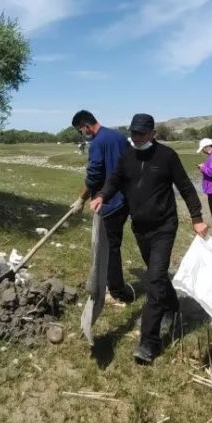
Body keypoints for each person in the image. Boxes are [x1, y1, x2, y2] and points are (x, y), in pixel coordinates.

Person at [90, 113, 208, 364]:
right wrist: (102, 195)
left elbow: (186, 187)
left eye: (141, 133)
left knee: (154, 278)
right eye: (133, 132)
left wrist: (197, 218)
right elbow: (115, 181)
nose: (136, 137)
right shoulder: (127, 156)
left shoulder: (167, 156)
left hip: (165, 226)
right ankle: (172, 307)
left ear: (153, 133)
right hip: (140, 228)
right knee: (158, 275)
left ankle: (148, 342)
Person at [71, 110, 136, 305]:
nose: (82, 135)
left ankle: (116, 292)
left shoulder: (97, 143)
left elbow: (93, 177)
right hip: (125, 199)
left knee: (109, 248)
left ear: (85, 126)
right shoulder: (118, 136)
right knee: (113, 244)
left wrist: (81, 199)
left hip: (110, 202)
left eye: (80, 131)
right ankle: (114, 286)